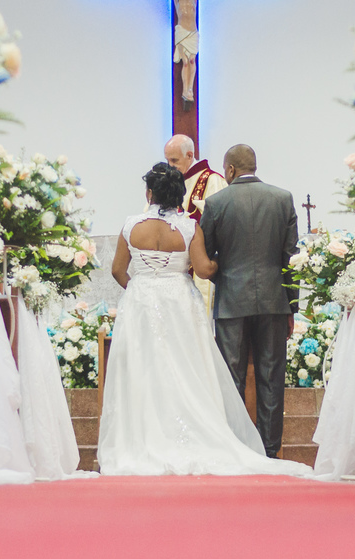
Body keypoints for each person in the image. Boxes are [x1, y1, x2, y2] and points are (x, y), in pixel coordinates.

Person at [96, 163, 311, 477]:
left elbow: (118, 270)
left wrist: (139, 289)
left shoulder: (130, 226)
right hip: (179, 304)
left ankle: (140, 438)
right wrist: (219, 262)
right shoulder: (188, 228)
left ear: (149, 193)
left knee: (143, 368)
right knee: (186, 369)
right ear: (178, 195)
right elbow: (204, 269)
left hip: (141, 305)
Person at [200, 145, 298, 459]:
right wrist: (291, 307)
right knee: (272, 377)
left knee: (232, 380)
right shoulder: (282, 198)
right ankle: (270, 451)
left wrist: (226, 275)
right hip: (274, 300)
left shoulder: (216, 203)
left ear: (230, 169)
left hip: (231, 302)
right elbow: (291, 258)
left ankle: (236, 449)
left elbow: (206, 256)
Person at [133, 0, 232, 103]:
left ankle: (190, 89)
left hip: (192, 32)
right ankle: (185, 90)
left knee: (192, 60)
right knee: (185, 62)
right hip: (181, 31)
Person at [164, 133, 226, 313]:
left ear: (190, 155)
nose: (170, 166)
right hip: (172, 269)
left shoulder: (213, 181)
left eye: (174, 160)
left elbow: (222, 225)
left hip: (201, 267)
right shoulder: (166, 184)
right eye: (167, 160)